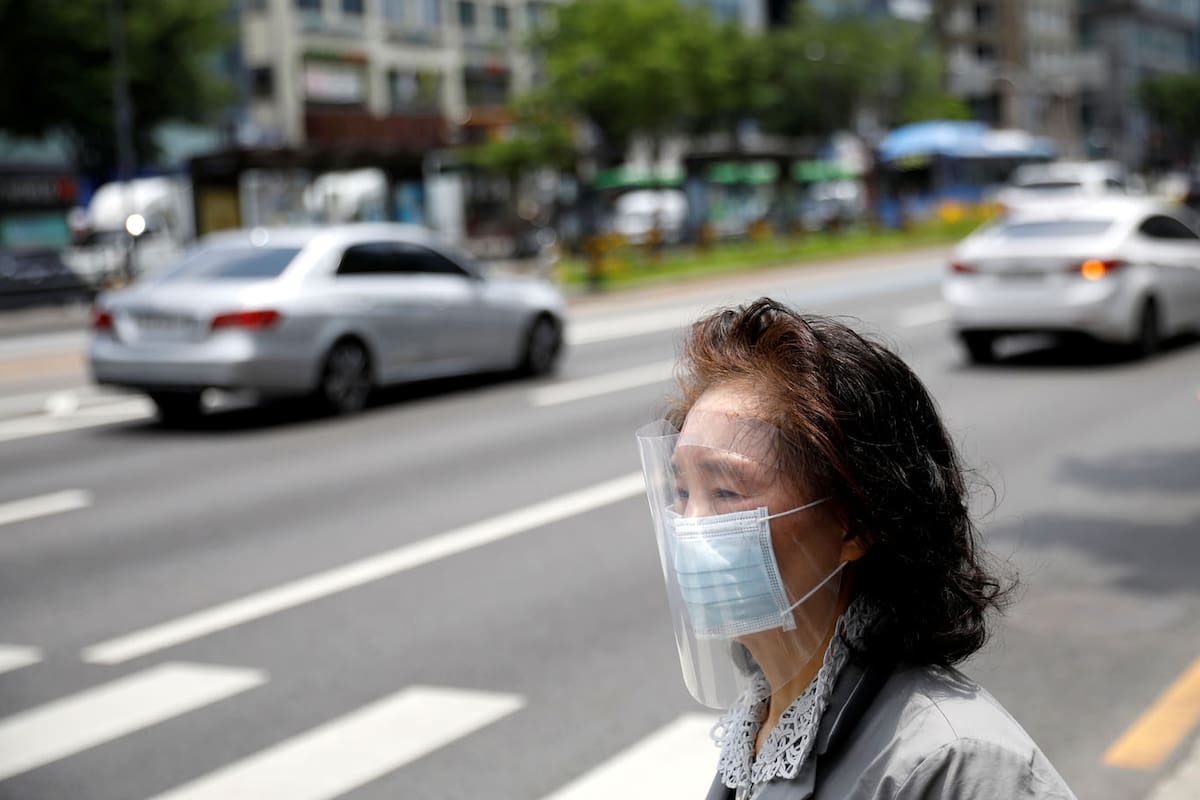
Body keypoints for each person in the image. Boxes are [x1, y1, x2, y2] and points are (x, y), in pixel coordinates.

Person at [635, 299, 1076, 800]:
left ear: (855, 523)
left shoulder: (952, 762)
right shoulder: (764, 718)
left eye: (726, 493)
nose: (689, 526)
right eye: (680, 493)